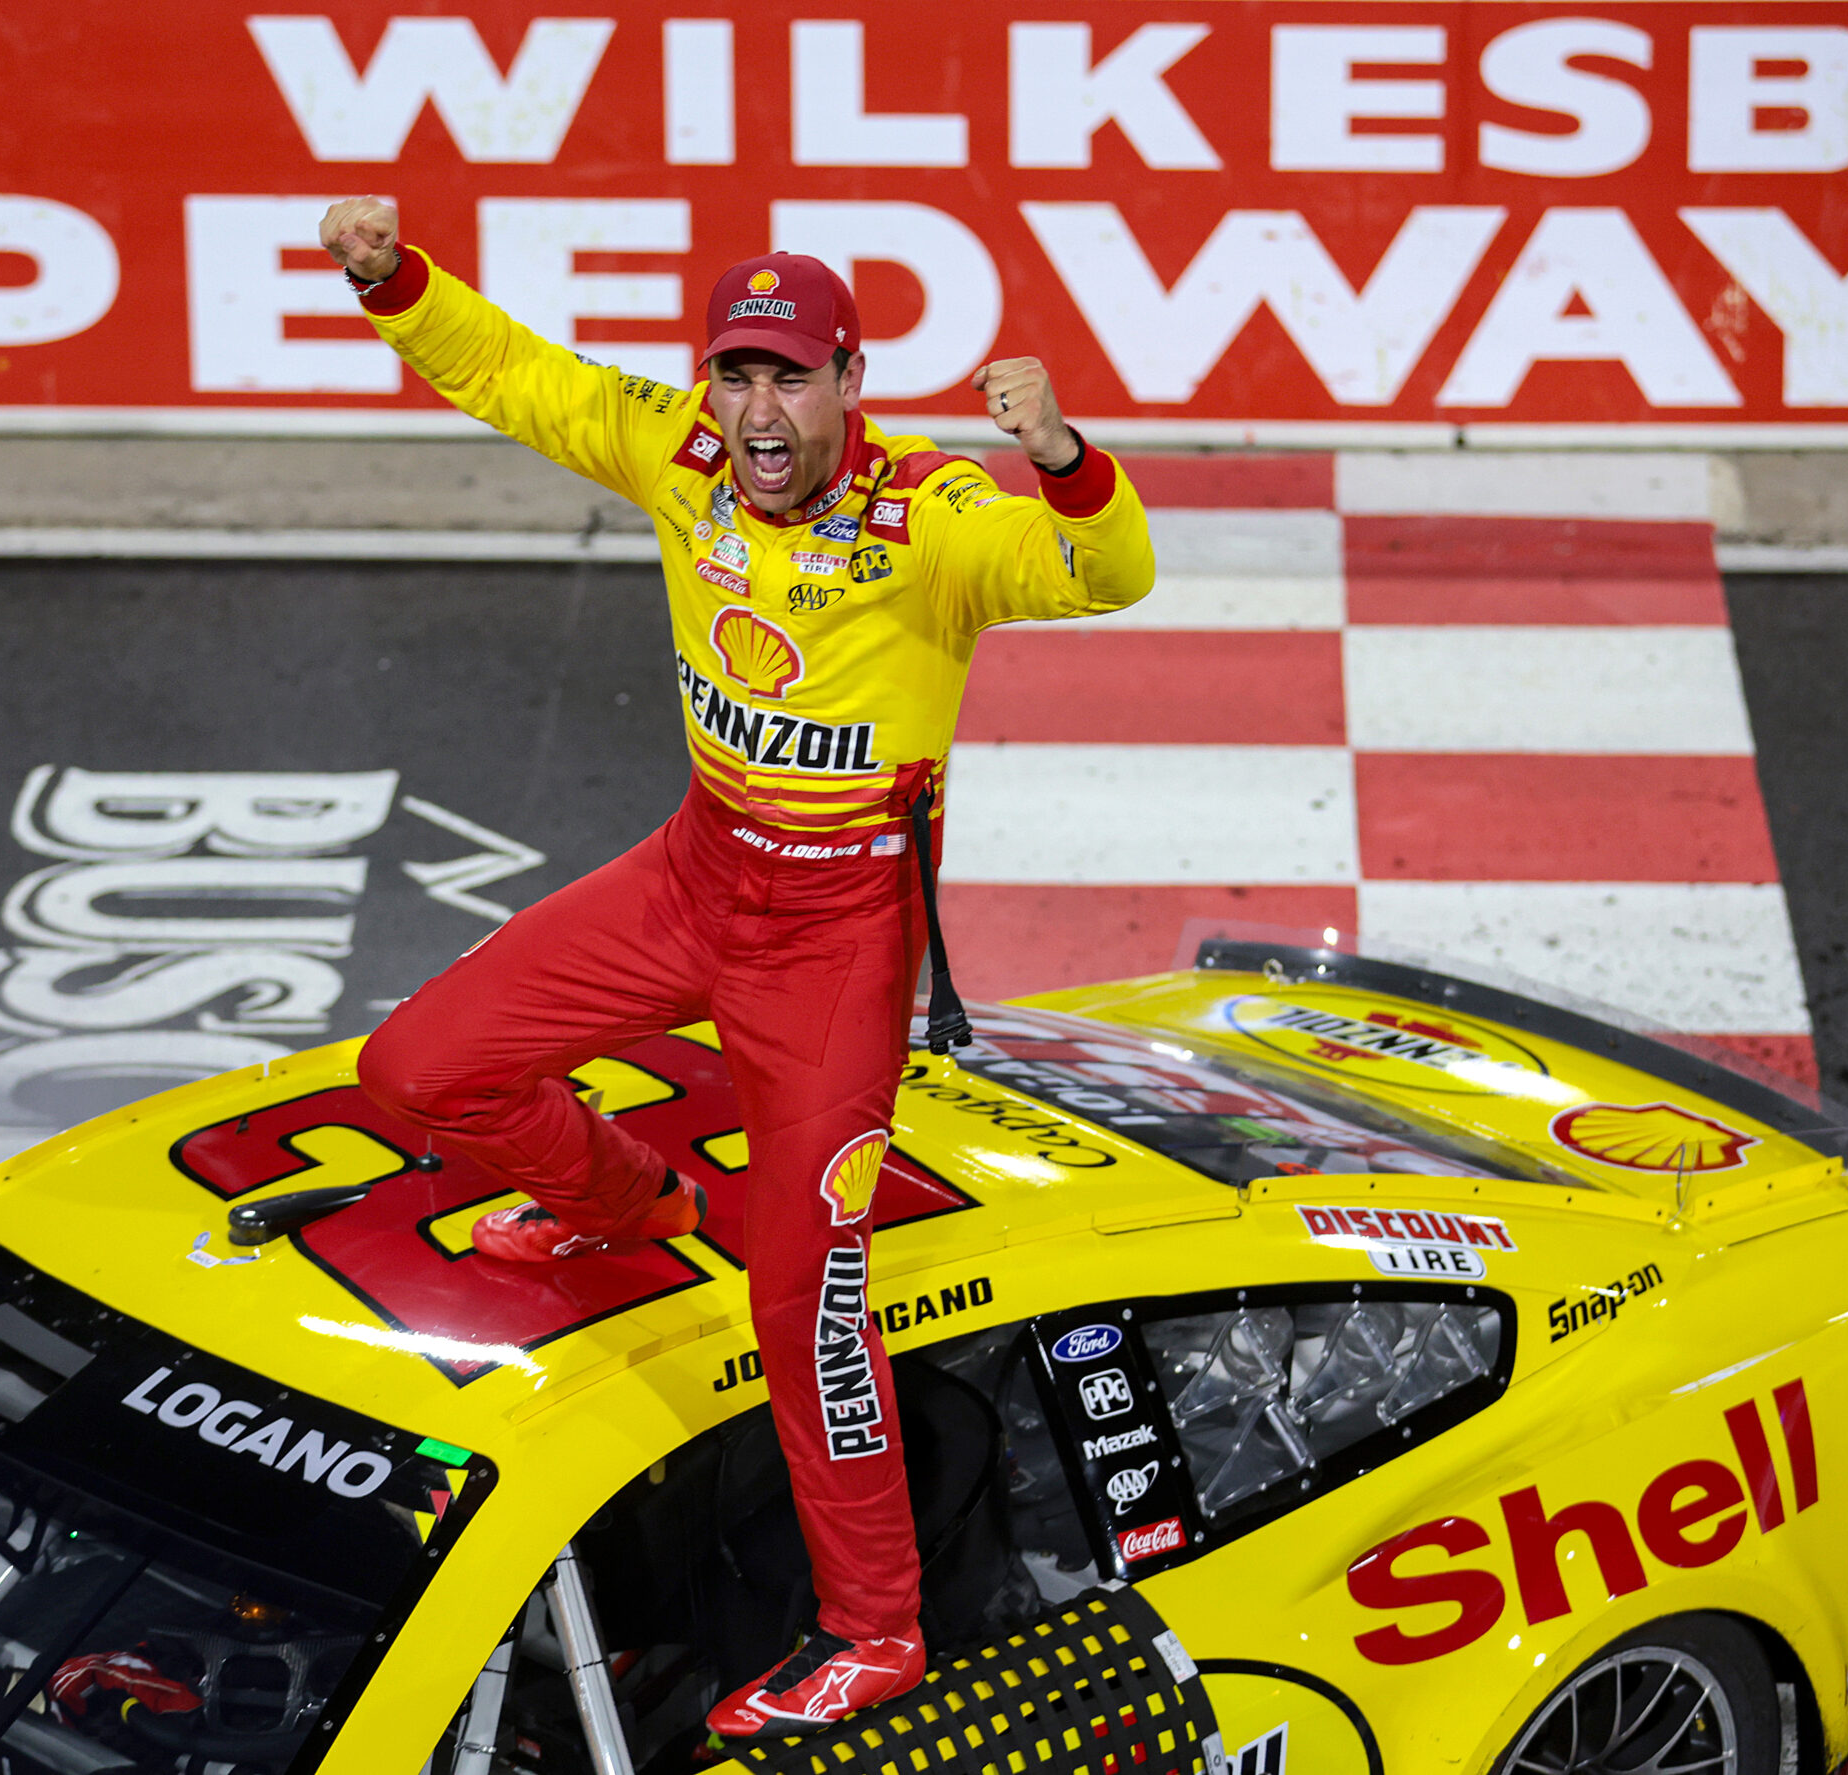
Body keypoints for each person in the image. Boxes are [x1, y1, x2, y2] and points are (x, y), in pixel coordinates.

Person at [320, 195, 1154, 1740]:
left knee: (805, 1296)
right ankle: (624, 1202)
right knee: (418, 1070)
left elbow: (1111, 579)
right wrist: (392, 279)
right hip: (691, 880)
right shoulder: (677, 456)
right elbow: (516, 374)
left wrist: (1062, 459)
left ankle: (878, 1630)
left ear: (851, 380)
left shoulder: (940, 516)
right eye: (735, 377)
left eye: (788, 378)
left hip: (838, 950)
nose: (758, 411)